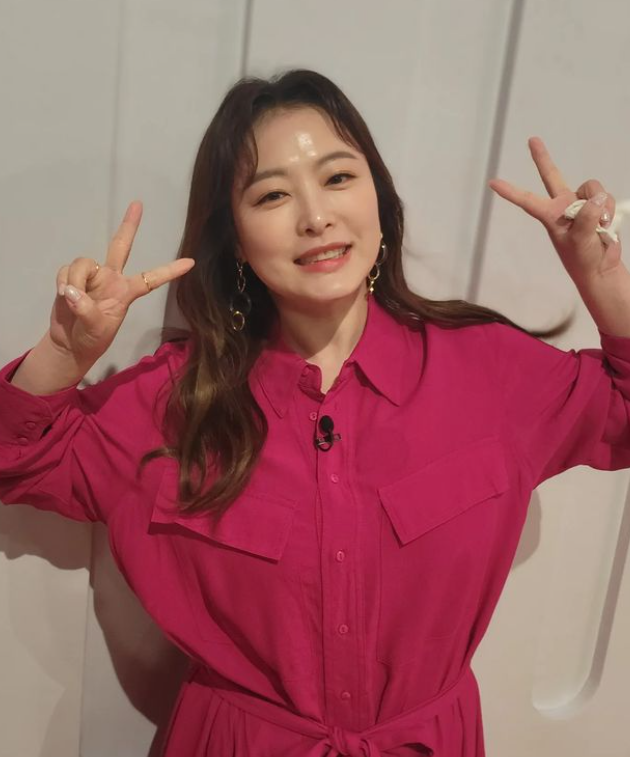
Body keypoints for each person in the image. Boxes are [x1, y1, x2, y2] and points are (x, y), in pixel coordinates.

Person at [1, 68, 630, 757]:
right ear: (235, 239)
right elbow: (15, 458)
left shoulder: (486, 371)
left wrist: (603, 280)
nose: (315, 217)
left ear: (379, 199)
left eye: (337, 178)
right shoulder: (172, 401)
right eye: (272, 194)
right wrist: (65, 352)